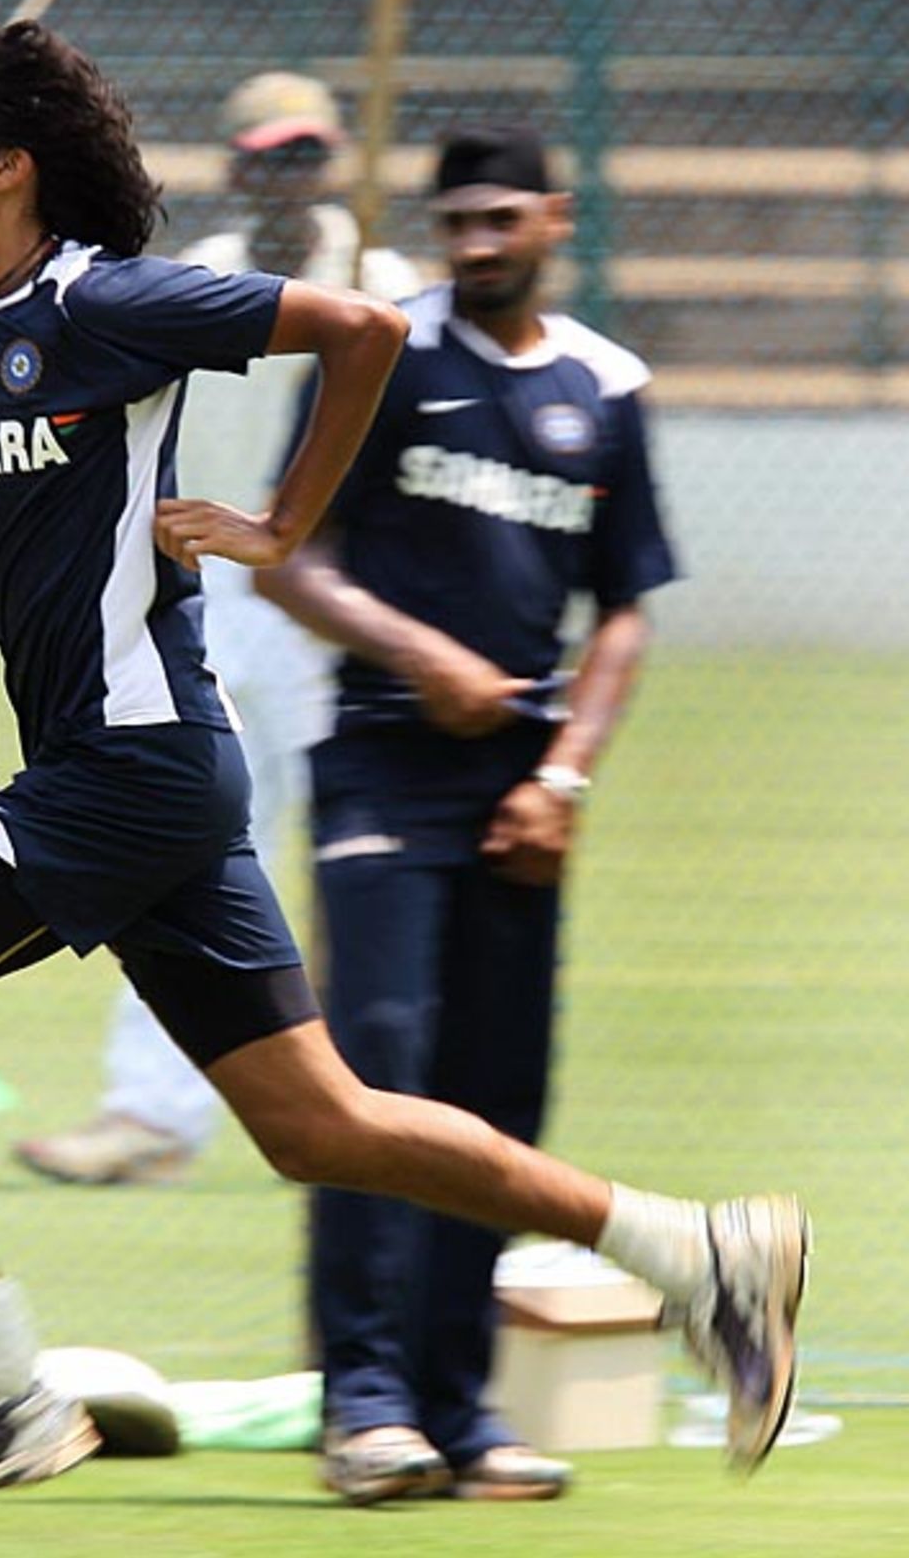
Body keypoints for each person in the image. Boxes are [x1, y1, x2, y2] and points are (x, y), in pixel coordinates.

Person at [0, 19, 807, 1517]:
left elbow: (364, 330)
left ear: (11, 165)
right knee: (319, 1124)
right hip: (137, 776)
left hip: (130, 768)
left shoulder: (112, 301)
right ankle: (692, 1249)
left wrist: (277, 533)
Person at [254, 123, 689, 1504]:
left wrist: (563, 780)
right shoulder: (382, 351)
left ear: (558, 216)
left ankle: (462, 1408)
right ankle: (366, 1406)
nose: (479, 243)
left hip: (523, 799)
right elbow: (286, 556)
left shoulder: (608, 388)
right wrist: (417, 654)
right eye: (458, 224)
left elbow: (623, 608)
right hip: (385, 770)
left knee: (501, 1097)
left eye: (504, 218)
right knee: (375, 1084)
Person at [12, 71, 420, 1185]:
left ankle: (390, 1099)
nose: (286, 174)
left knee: (366, 849)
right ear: (237, 165)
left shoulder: (390, 282)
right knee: (200, 841)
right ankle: (151, 1113)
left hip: (346, 588)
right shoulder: (205, 280)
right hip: (231, 594)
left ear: (336, 159)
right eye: (267, 156)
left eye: (306, 154)